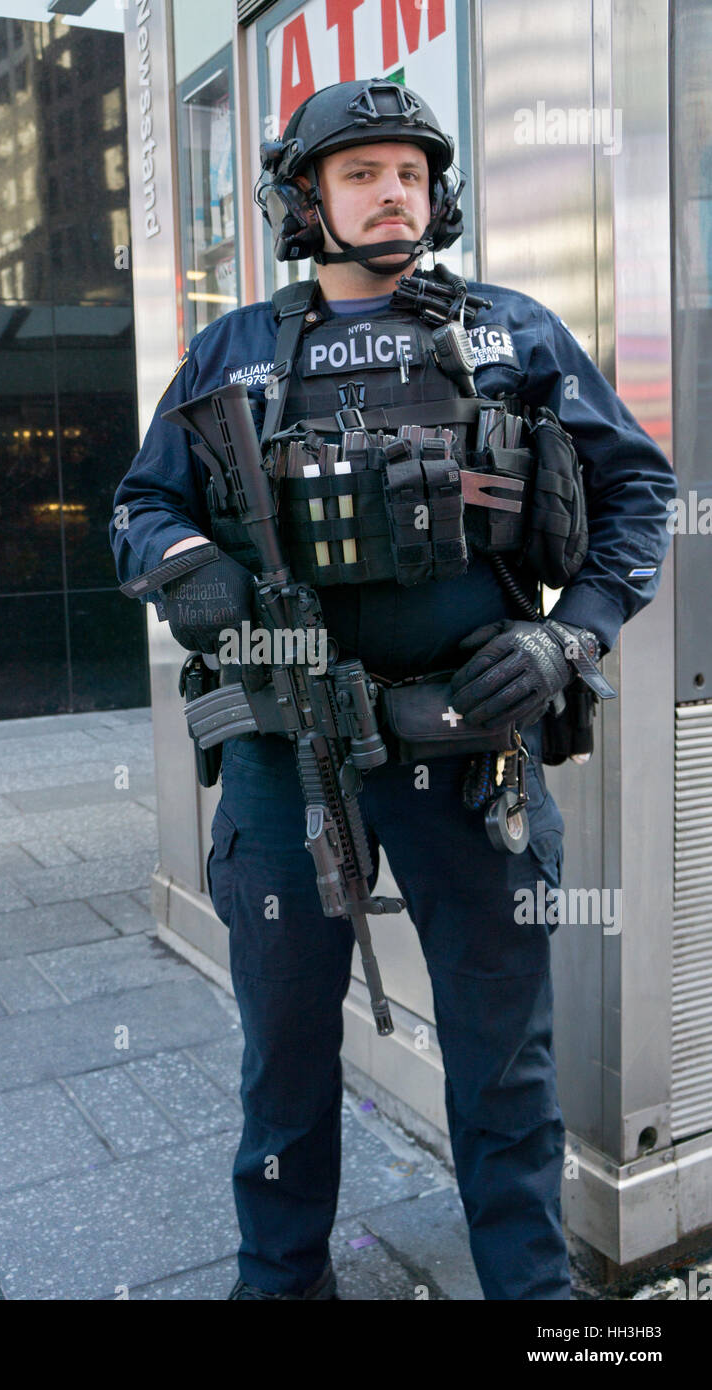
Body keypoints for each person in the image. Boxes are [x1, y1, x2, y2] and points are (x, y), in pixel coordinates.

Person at [110, 79, 676, 1301]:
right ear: (305, 199)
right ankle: (278, 1283)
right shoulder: (233, 351)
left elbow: (639, 494)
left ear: (440, 194)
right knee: (282, 1056)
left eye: (410, 174)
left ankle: (531, 1296)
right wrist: (183, 560)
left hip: (474, 750)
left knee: (503, 1056)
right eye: (361, 173)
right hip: (280, 756)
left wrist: (565, 642)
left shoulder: (510, 333)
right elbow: (138, 502)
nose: (391, 194)